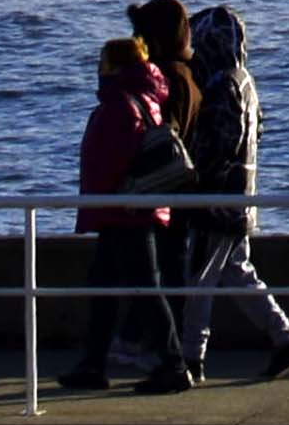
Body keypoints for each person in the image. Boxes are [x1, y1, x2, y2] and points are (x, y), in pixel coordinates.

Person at [58, 32, 197, 395]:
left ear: (115, 65)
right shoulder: (142, 98)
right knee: (105, 287)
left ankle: (173, 364)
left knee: (144, 288)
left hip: (125, 210)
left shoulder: (121, 103)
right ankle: (93, 363)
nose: (97, 67)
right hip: (125, 209)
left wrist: (97, 193)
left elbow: (113, 159)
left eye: (102, 61)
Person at [176, 3, 289, 381]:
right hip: (241, 197)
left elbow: (217, 144)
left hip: (216, 199)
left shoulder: (221, 86)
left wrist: (193, 176)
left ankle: (190, 358)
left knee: (197, 279)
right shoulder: (246, 81)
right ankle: (286, 340)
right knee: (238, 273)